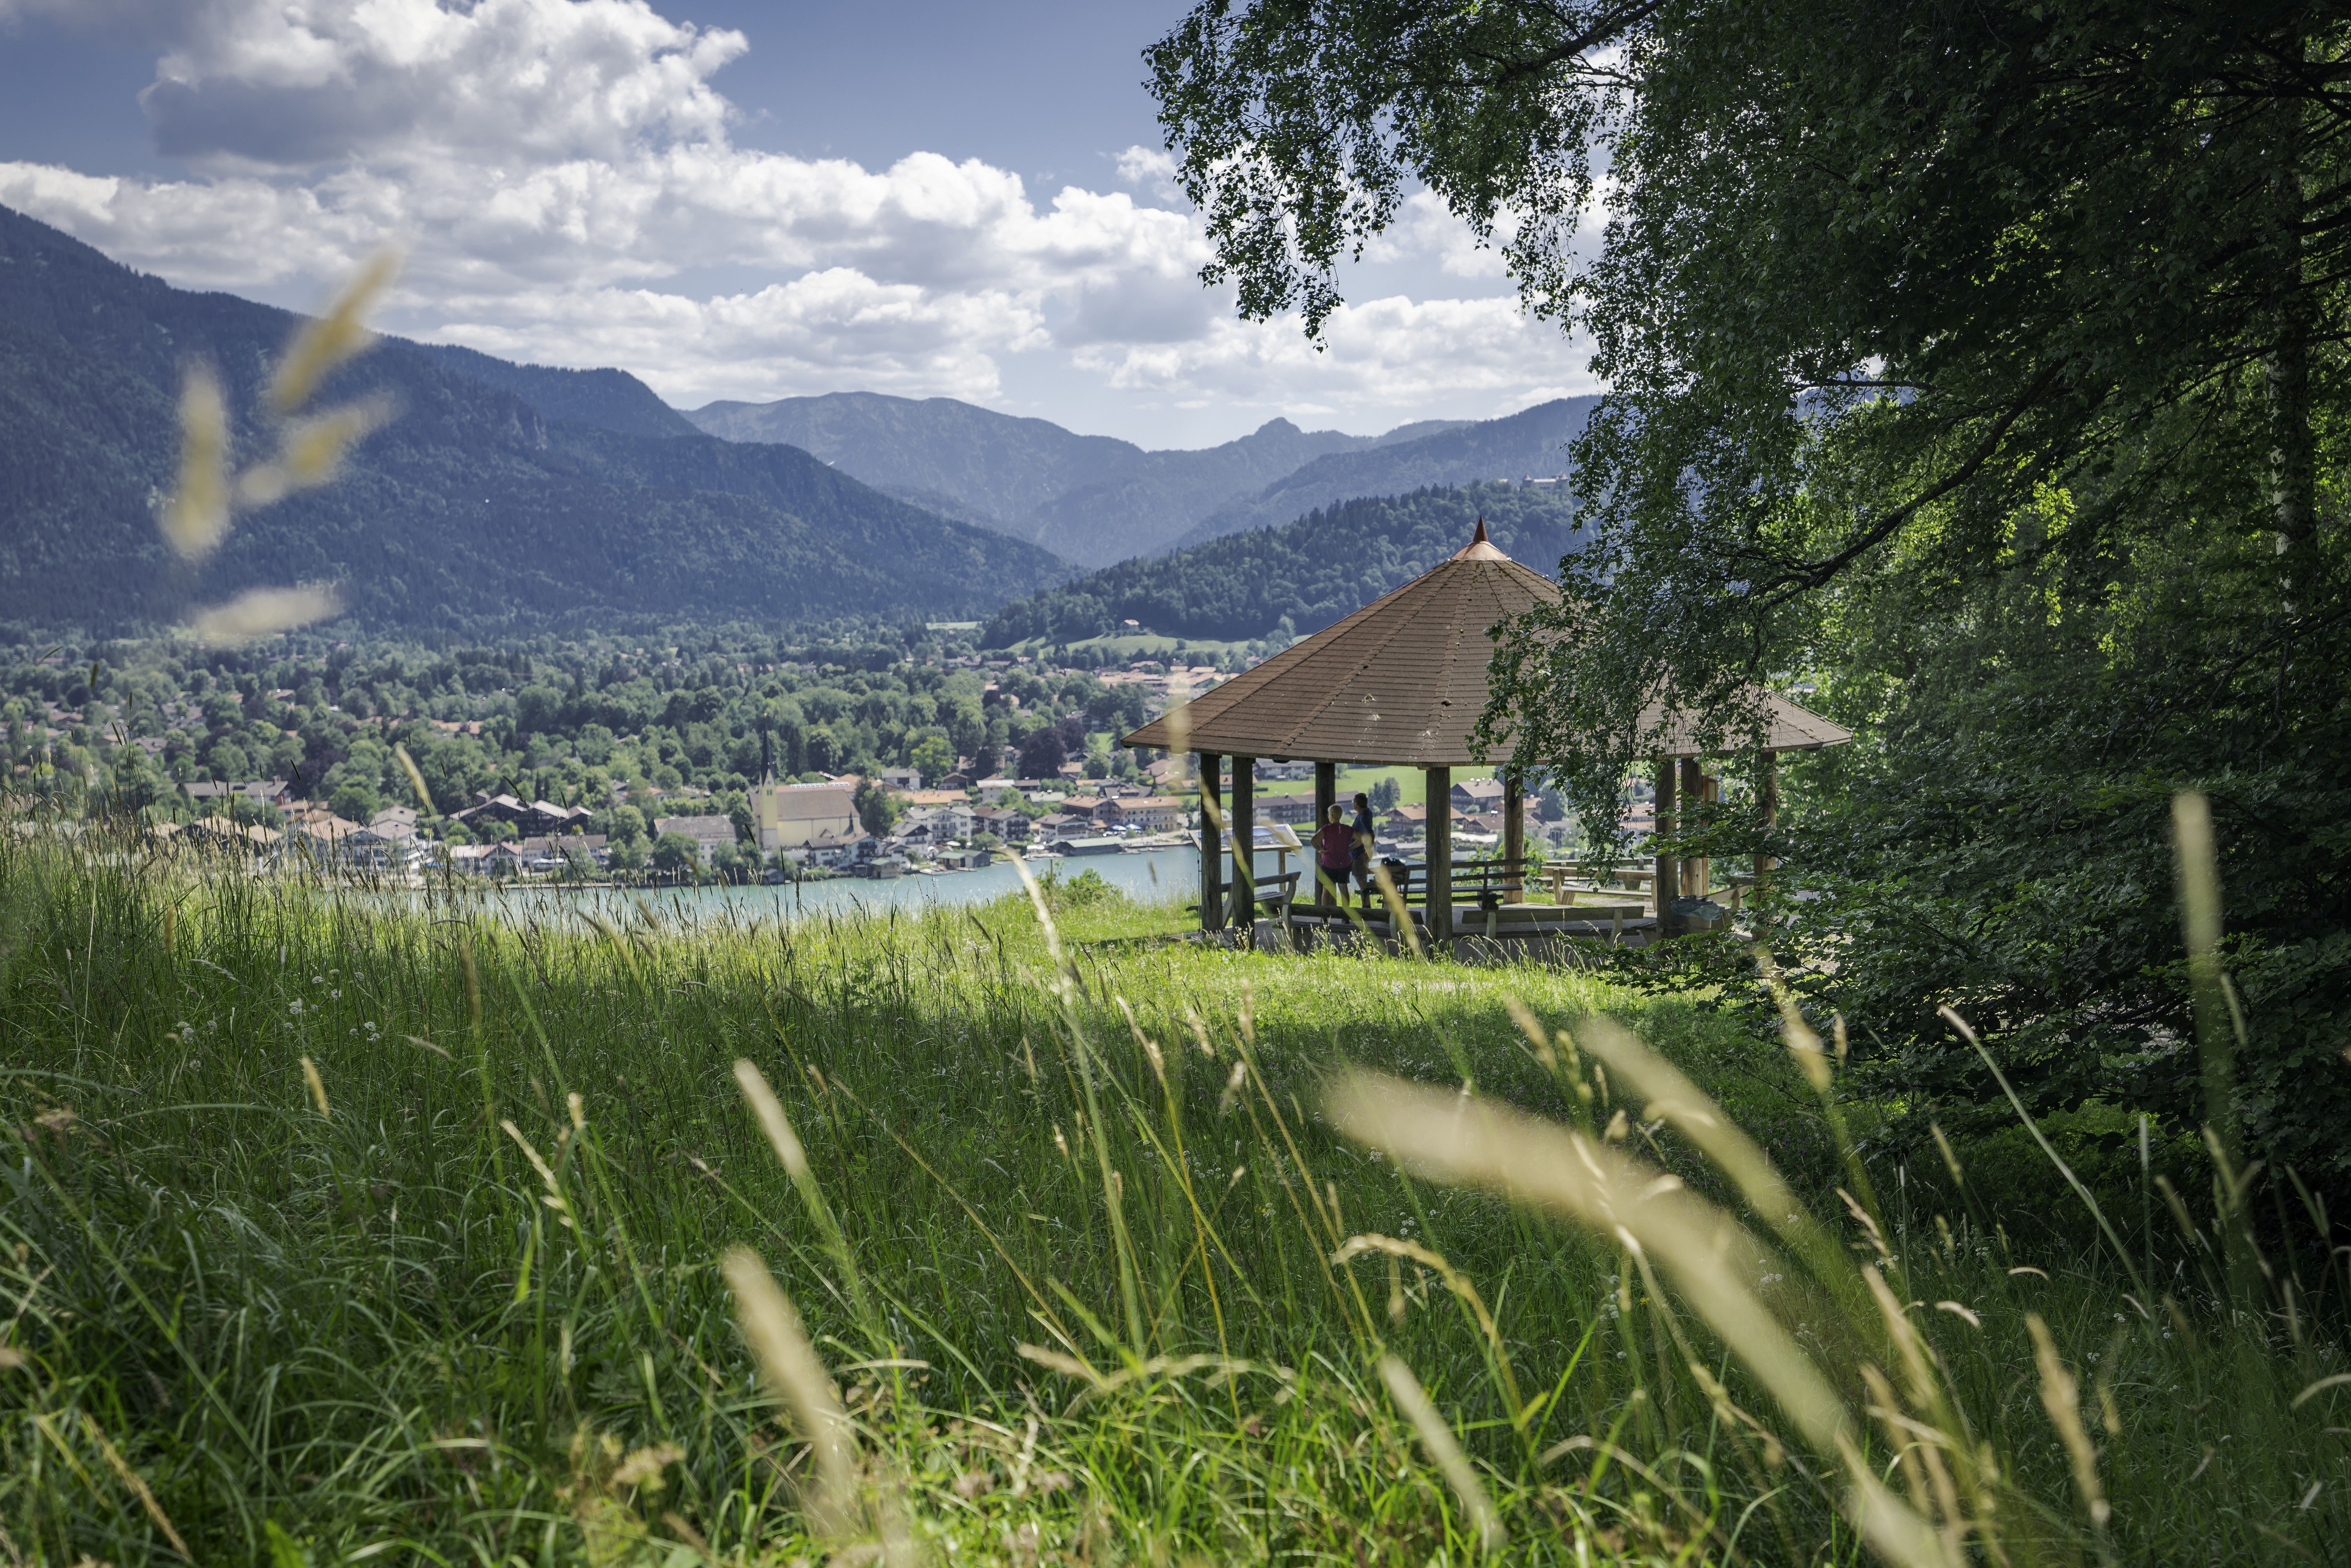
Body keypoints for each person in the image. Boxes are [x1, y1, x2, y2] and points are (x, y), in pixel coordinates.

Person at [1313, 802, 1356, 904]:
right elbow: (1361, 840)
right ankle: (1346, 916)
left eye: (1329, 814)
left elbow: (1313, 841)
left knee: (1327, 890)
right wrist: (1349, 849)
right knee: (1344, 890)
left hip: (1328, 864)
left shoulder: (1326, 829)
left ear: (1332, 816)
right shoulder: (1347, 829)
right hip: (1344, 864)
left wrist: (1321, 850)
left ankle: (1325, 917)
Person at [1350, 791, 1377, 899]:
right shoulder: (1366, 813)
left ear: (1356, 804)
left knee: (1362, 883)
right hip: (1357, 853)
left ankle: (1367, 908)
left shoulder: (1363, 818)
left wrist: (1367, 852)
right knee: (1362, 881)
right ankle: (1366, 907)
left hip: (1360, 854)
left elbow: (1371, 835)